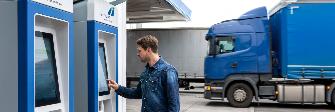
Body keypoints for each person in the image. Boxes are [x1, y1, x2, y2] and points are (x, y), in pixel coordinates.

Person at [107, 35, 180, 112]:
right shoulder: (145, 73)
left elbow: (174, 104)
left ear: (148, 50)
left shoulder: (168, 71)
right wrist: (118, 88)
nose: (137, 54)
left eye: (139, 51)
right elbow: (137, 93)